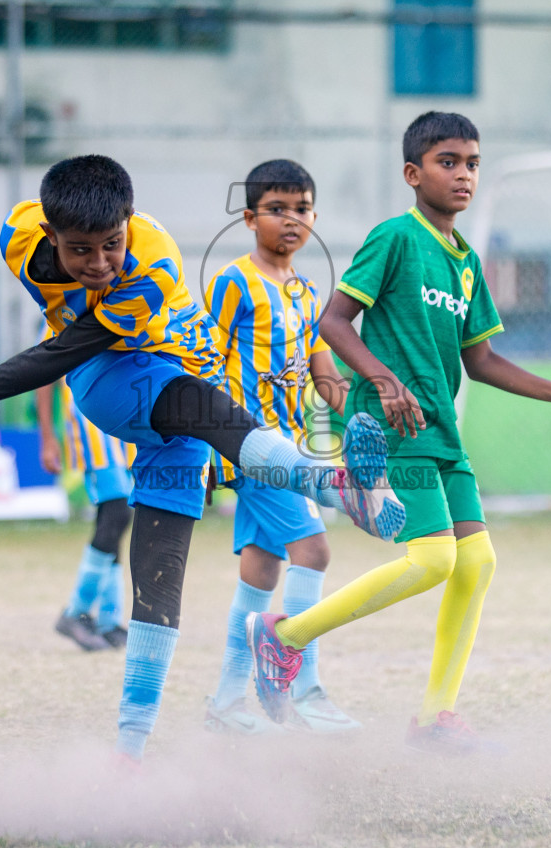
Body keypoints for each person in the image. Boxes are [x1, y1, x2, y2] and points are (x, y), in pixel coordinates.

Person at [0, 153, 406, 763]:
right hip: (114, 379)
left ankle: (128, 753)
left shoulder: (151, 263)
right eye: (80, 250)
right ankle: (338, 486)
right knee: (207, 407)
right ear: (50, 235)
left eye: (112, 245)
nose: (100, 264)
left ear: (130, 224)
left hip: (181, 415)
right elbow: (54, 356)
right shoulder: (18, 232)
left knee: (159, 587)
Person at [244, 111, 551, 755]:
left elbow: (482, 361)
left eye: (471, 162)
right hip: (388, 426)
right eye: (448, 161)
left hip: (441, 434)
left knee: (476, 563)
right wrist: (384, 381)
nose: (463, 174)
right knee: (434, 558)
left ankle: (435, 718)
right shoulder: (396, 238)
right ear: (414, 174)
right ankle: (286, 634)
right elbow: (333, 323)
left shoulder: (466, 263)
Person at [203, 159, 359, 735]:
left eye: (301, 209)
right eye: (276, 209)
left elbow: (326, 372)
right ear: (249, 217)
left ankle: (224, 705)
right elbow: (205, 362)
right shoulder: (233, 281)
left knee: (260, 573)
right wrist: (216, 449)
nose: (291, 220)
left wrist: (366, 413)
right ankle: (303, 689)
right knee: (314, 552)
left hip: (292, 450)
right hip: (253, 448)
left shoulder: (304, 288)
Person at [35, 379, 134, 651]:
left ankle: (108, 621)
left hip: (121, 424)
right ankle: (75, 612)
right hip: (91, 430)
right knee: (118, 512)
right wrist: (47, 437)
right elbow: (43, 380)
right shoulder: (53, 333)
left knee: (112, 517)